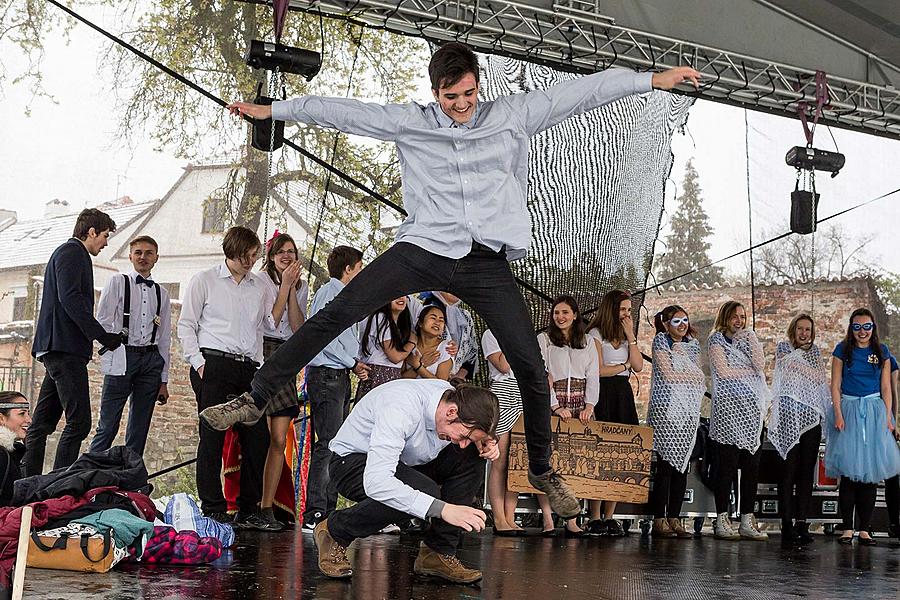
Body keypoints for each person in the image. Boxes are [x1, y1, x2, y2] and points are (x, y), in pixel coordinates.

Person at [207, 42, 700, 517]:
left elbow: (583, 93)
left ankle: (547, 471)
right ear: (435, 93)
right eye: (451, 97)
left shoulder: (513, 114)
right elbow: (344, 112)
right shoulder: (410, 123)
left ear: (478, 86)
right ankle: (254, 398)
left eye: (469, 94)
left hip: (485, 260)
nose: (462, 105)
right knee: (336, 313)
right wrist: (276, 112)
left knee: (529, 364)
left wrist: (651, 81)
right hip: (424, 249)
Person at [313, 378, 500, 584]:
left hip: (404, 461)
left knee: (473, 455)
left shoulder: (453, 400)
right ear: (451, 413)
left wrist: (484, 441)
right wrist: (443, 509)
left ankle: (437, 553)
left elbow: (471, 430)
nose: (462, 443)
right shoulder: (400, 407)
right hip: (352, 463)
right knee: (423, 491)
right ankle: (335, 531)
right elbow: (378, 482)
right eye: (464, 435)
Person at [177, 226, 272, 524]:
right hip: (214, 364)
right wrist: (199, 363)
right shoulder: (204, 280)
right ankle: (214, 508)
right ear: (231, 251)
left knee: (258, 439)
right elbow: (186, 325)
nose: (251, 261)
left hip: (248, 368)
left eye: (255, 255)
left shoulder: (259, 286)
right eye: (246, 255)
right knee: (212, 438)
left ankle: (249, 508)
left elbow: (262, 328)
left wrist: (257, 364)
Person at [24, 208, 123, 476]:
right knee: (79, 423)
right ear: (91, 232)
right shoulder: (72, 253)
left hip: (59, 348)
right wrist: (102, 336)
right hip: (64, 348)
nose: (105, 243)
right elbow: (71, 300)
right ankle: (58, 486)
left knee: (42, 425)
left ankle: (27, 484)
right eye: (104, 236)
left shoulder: (69, 253)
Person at [302, 246, 371, 531]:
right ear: (348, 269)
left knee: (336, 444)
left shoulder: (342, 295)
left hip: (338, 373)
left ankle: (327, 509)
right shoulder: (330, 293)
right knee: (327, 443)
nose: (362, 273)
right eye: (360, 268)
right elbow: (326, 337)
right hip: (328, 374)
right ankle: (316, 511)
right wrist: (352, 362)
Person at [90, 235, 171, 457]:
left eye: (148, 253)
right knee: (107, 425)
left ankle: (129, 479)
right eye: (138, 252)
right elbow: (103, 321)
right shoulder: (118, 282)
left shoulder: (161, 293)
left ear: (156, 258)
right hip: (122, 356)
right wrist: (114, 349)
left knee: (139, 428)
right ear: (130, 256)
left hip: (151, 361)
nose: (143, 257)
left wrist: (163, 380)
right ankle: (88, 475)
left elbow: (164, 339)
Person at [825, 308, 900, 545]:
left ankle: (865, 529)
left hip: (874, 412)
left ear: (873, 328)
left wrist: (888, 417)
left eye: (867, 327)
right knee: (849, 474)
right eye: (857, 327)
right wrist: (838, 413)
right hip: (848, 411)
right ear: (851, 328)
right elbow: (835, 385)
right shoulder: (842, 350)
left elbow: (886, 387)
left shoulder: (882, 351)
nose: (862, 332)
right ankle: (847, 528)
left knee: (870, 474)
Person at [252, 231, 309, 531]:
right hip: (262, 350)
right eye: (280, 251)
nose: (286, 255)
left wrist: (293, 289)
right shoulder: (261, 281)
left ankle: (267, 507)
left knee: (279, 436)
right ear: (272, 256)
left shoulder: (302, 285)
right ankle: (250, 504)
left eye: (291, 251)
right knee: (258, 437)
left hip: (286, 353)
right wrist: (284, 285)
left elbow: (298, 326)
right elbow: (270, 321)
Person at [536, 295, 599, 537]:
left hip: (580, 404)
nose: (560, 317)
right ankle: (548, 519)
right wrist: (554, 406)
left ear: (574, 315)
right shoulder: (544, 339)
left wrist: (590, 405)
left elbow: (593, 375)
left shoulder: (588, 341)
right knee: (546, 461)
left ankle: (572, 519)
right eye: (556, 313)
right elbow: (542, 374)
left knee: (577, 462)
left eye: (565, 312)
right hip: (554, 402)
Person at [707, 300, 769, 541]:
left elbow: (760, 366)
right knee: (727, 468)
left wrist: (750, 340)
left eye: (743, 317)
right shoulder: (716, 340)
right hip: (728, 412)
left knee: (751, 468)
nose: (739, 321)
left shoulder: (748, 339)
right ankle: (722, 518)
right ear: (725, 317)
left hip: (751, 412)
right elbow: (724, 372)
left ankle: (746, 519)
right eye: (735, 316)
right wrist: (750, 372)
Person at [585, 289, 644, 536]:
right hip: (603, 393)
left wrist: (631, 336)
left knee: (620, 453)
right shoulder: (595, 333)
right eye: (623, 309)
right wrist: (623, 366)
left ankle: (610, 515)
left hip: (623, 393)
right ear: (611, 309)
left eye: (629, 310)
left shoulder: (626, 334)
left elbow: (639, 366)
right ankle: (594, 516)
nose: (626, 314)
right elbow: (598, 370)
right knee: (600, 454)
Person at [769, 314, 830, 547]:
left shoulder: (815, 352)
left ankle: (802, 523)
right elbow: (787, 366)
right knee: (788, 472)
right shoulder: (783, 347)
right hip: (787, 417)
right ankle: (786, 525)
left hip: (810, 420)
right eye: (800, 329)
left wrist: (801, 367)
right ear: (793, 329)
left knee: (806, 473)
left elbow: (818, 378)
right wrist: (803, 367)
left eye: (808, 330)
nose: (804, 333)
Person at [646, 305, 704, 539]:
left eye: (685, 320)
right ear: (667, 323)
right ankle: (659, 518)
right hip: (666, 409)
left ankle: (675, 517)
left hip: (687, 411)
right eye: (676, 321)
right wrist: (689, 375)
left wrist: (689, 374)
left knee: (683, 465)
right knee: (666, 465)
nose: (682, 325)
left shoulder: (693, 346)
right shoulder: (661, 342)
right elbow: (668, 374)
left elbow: (698, 375)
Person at [482, 328, 525, 536]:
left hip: (521, 392)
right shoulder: (492, 334)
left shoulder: (525, 335)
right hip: (502, 392)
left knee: (515, 460)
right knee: (499, 461)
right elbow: (504, 365)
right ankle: (498, 517)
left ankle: (510, 515)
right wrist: (511, 336)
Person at [356, 296, 416, 399]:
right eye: (395, 295)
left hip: (392, 376)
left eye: (404, 294)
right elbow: (395, 357)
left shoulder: (400, 324)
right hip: (379, 374)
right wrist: (412, 342)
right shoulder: (380, 317)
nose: (401, 298)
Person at [421, 292, 479, 380]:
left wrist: (459, 377)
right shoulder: (424, 310)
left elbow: (472, 352)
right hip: (427, 374)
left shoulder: (465, 315)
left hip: (457, 381)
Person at [403, 305, 453, 380]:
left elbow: (441, 384)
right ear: (420, 323)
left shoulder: (446, 347)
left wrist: (418, 365)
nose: (437, 322)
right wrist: (421, 365)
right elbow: (400, 380)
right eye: (433, 318)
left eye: (441, 320)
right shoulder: (410, 344)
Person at [0, 392, 31, 505]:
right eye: (22, 413)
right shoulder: (2, 454)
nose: (29, 420)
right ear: (1, 418)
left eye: (28, 413)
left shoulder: (13, 452)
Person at [886, 354, 899, 539]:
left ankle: (894, 522)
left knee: (892, 473)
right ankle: (864, 524)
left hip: (885, 420)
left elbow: (893, 392)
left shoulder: (889, 358)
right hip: (863, 418)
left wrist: (894, 423)